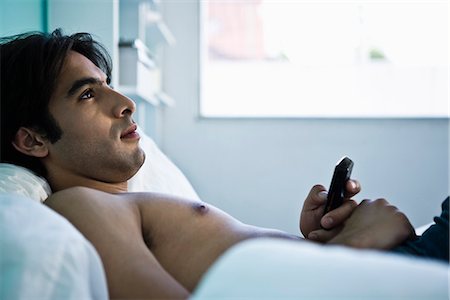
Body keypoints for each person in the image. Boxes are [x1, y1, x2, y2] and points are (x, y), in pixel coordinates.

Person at [0, 29, 435, 299]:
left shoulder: (129, 204)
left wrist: (318, 244)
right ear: (33, 139)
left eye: (109, 86)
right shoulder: (80, 208)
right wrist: (352, 250)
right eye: (88, 94)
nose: (127, 104)